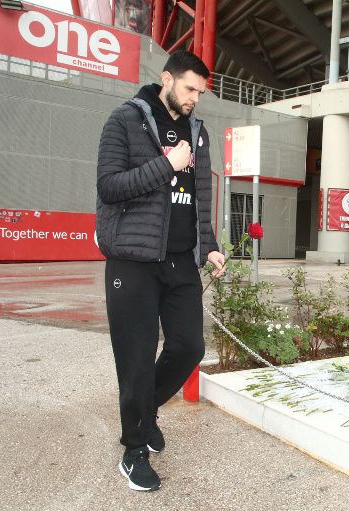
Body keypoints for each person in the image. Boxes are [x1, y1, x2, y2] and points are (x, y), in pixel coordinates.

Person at [96, 50, 225, 492]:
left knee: (189, 346)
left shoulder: (197, 131)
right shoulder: (125, 120)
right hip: (132, 261)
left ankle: (143, 413)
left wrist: (209, 246)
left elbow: (199, 196)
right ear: (166, 79)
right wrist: (165, 165)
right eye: (189, 89)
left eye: (200, 93)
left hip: (180, 260)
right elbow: (108, 186)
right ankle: (134, 452)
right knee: (135, 361)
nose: (194, 99)